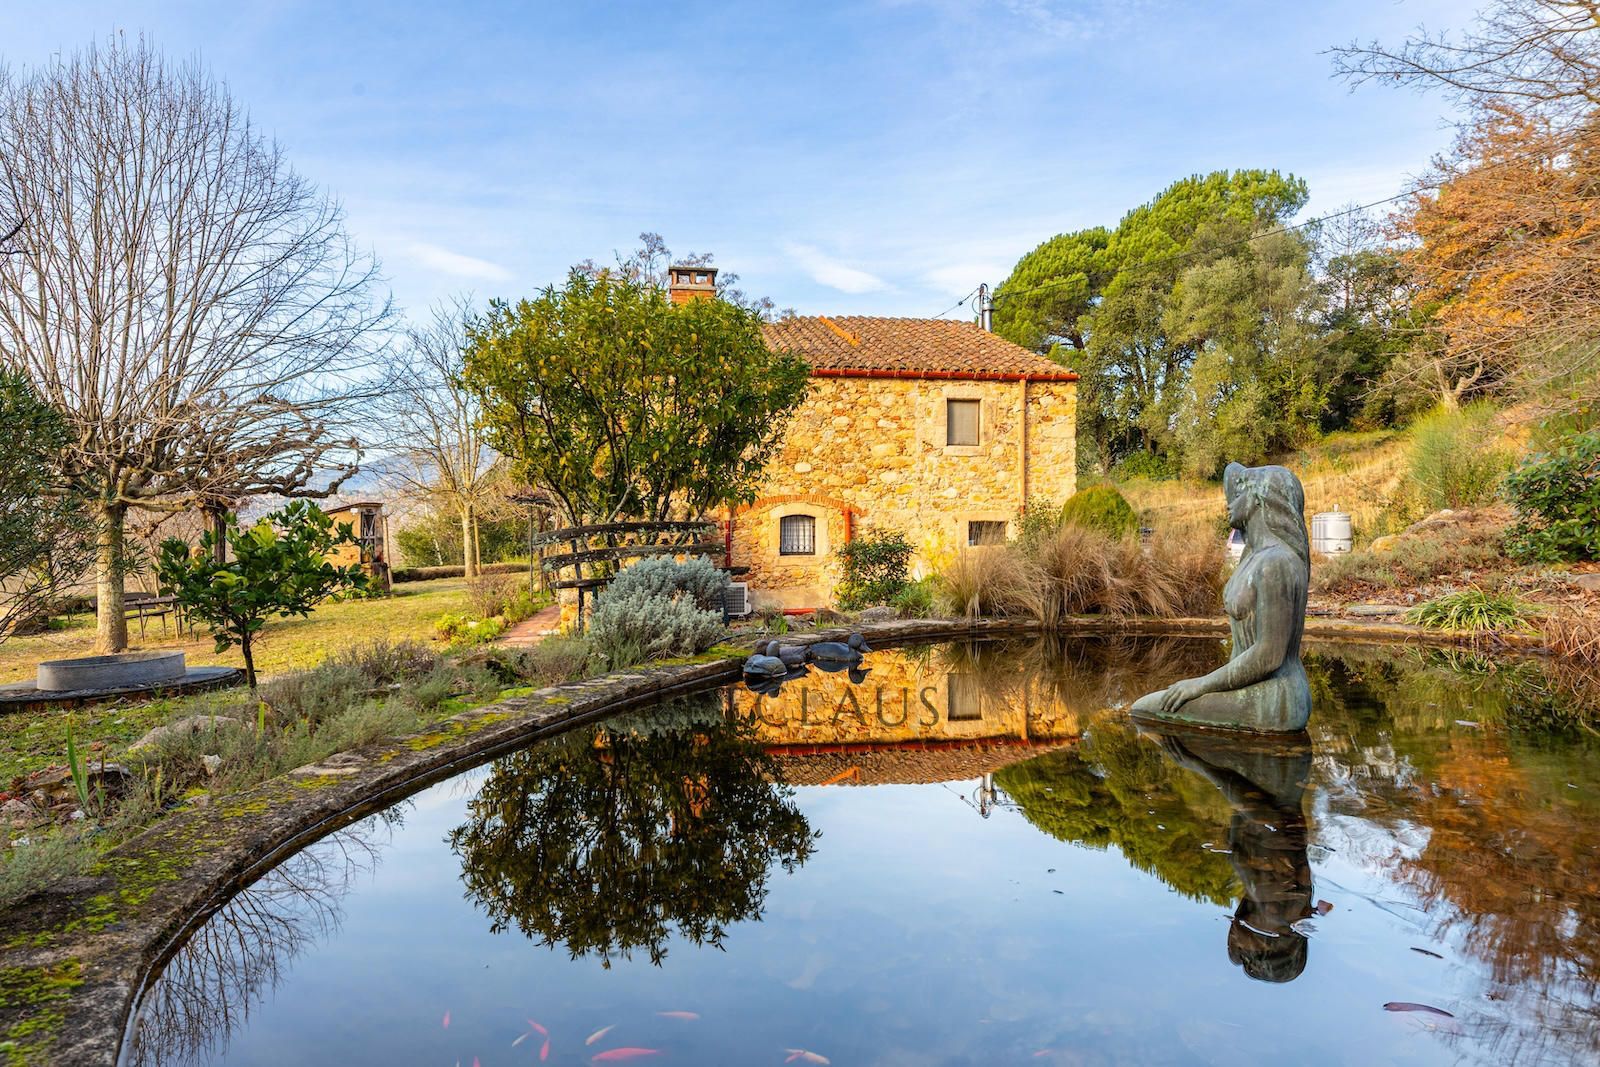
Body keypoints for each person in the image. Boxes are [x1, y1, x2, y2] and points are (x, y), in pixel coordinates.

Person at [1131, 462, 1311, 732]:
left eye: (1238, 494)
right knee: (1157, 706)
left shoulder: (1276, 563)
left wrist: (1200, 684)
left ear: (1256, 499)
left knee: (1144, 709)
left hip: (1276, 697)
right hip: (1252, 688)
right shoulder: (1255, 557)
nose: (1229, 503)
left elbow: (1270, 655)